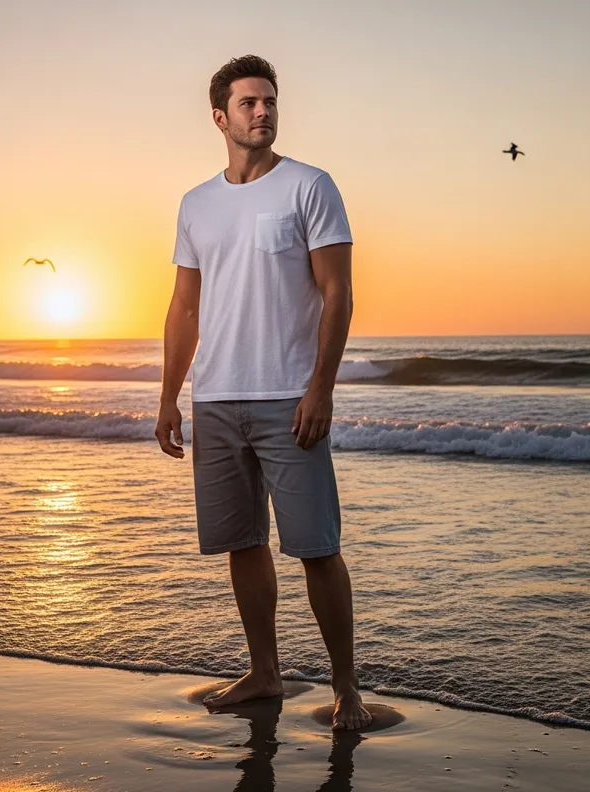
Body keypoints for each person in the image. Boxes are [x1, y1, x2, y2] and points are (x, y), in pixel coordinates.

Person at [155, 54, 372, 731]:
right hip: (217, 399)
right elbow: (183, 308)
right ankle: (265, 672)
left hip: (289, 398)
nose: (262, 111)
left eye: (270, 100)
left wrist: (321, 389)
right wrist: (169, 396)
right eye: (248, 102)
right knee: (241, 543)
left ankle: (346, 689)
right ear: (220, 116)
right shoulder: (197, 203)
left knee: (316, 547)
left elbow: (339, 295)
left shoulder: (310, 186)